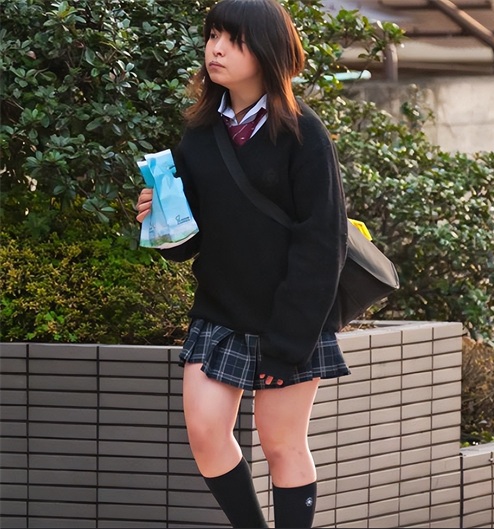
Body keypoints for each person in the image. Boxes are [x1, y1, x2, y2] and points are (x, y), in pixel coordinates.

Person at [136, 0, 350, 526]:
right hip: (221, 311)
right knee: (206, 435)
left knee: (281, 444)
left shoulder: (303, 134)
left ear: (269, 51)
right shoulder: (200, 133)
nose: (216, 49)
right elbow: (187, 243)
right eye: (213, 35)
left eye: (234, 40)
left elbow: (323, 244)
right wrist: (160, 218)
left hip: (289, 318)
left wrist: (286, 347)